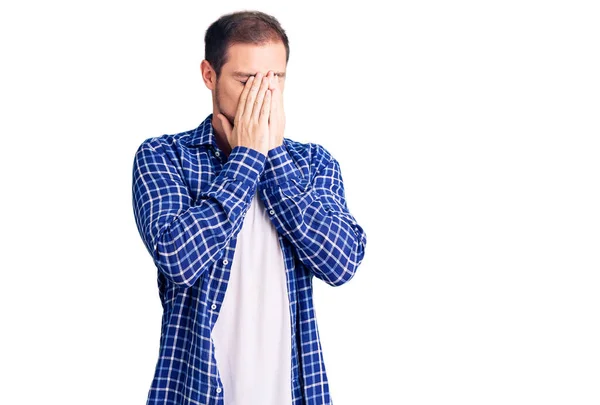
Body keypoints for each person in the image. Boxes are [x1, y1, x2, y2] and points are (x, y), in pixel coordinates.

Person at [131, 10, 367, 405]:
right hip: (195, 392)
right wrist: (246, 157)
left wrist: (271, 155)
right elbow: (178, 258)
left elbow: (341, 263)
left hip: (293, 393)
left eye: (274, 79)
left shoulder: (312, 163)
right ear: (210, 75)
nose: (264, 94)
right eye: (246, 81)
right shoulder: (164, 156)